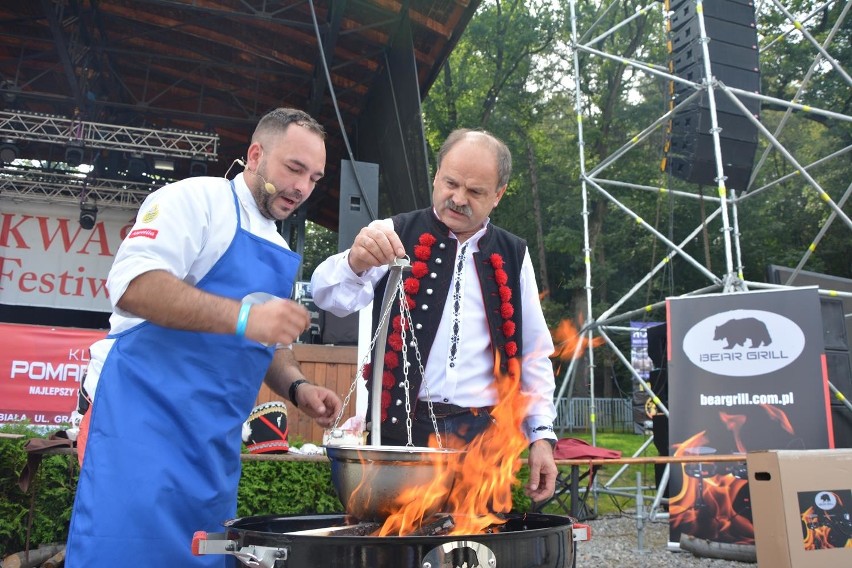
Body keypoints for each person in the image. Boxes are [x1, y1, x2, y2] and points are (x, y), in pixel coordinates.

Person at [65, 107, 343, 567]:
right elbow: (132, 285)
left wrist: (298, 387)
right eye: (294, 168)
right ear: (255, 155)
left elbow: (269, 343)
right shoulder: (194, 200)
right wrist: (242, 319)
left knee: (205, 556)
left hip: (213, 448)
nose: (302, 188)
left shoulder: (278, 245)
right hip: (138, 425)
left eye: (314, 177)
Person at [311, 128, 558, 502]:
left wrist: (541, 437)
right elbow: (328, 295)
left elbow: (535, 355)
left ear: (498, 195)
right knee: (398, 547)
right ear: (437, 175)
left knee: (474, 552)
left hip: (485, 438)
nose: (458, 199)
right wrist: (353, 262)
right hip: (402, 430)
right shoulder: (393, 233)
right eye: (450, 183)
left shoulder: (514, 254)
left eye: (475, 191)